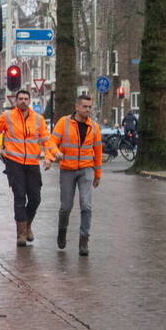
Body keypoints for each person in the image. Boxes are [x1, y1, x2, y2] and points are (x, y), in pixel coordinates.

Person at [0, 89, 61, 247]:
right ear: (16, 101)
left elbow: (47, 140)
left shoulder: (38, 119)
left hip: (32, 164)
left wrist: (51, 156)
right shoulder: (7, 116)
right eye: (20, 98)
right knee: (20, 197)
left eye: (26, 98)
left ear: (29, 101)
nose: (23, 101)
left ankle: (28, 224)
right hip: (14, 163)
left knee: (36, 198)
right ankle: (21, 234)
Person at [50, 93, 102, 256]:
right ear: (77, 107)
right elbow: (51, 141)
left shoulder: (94, 127)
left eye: (89, 107)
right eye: (85, 107)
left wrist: (98, 174)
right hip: (67, 169)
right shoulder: (63, 123)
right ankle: (62, 231)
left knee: (86, 205)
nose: (88, 110)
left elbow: (98, 151)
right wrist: (55, 152)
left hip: (86, 169)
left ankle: (84, 240)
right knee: (66, 207)